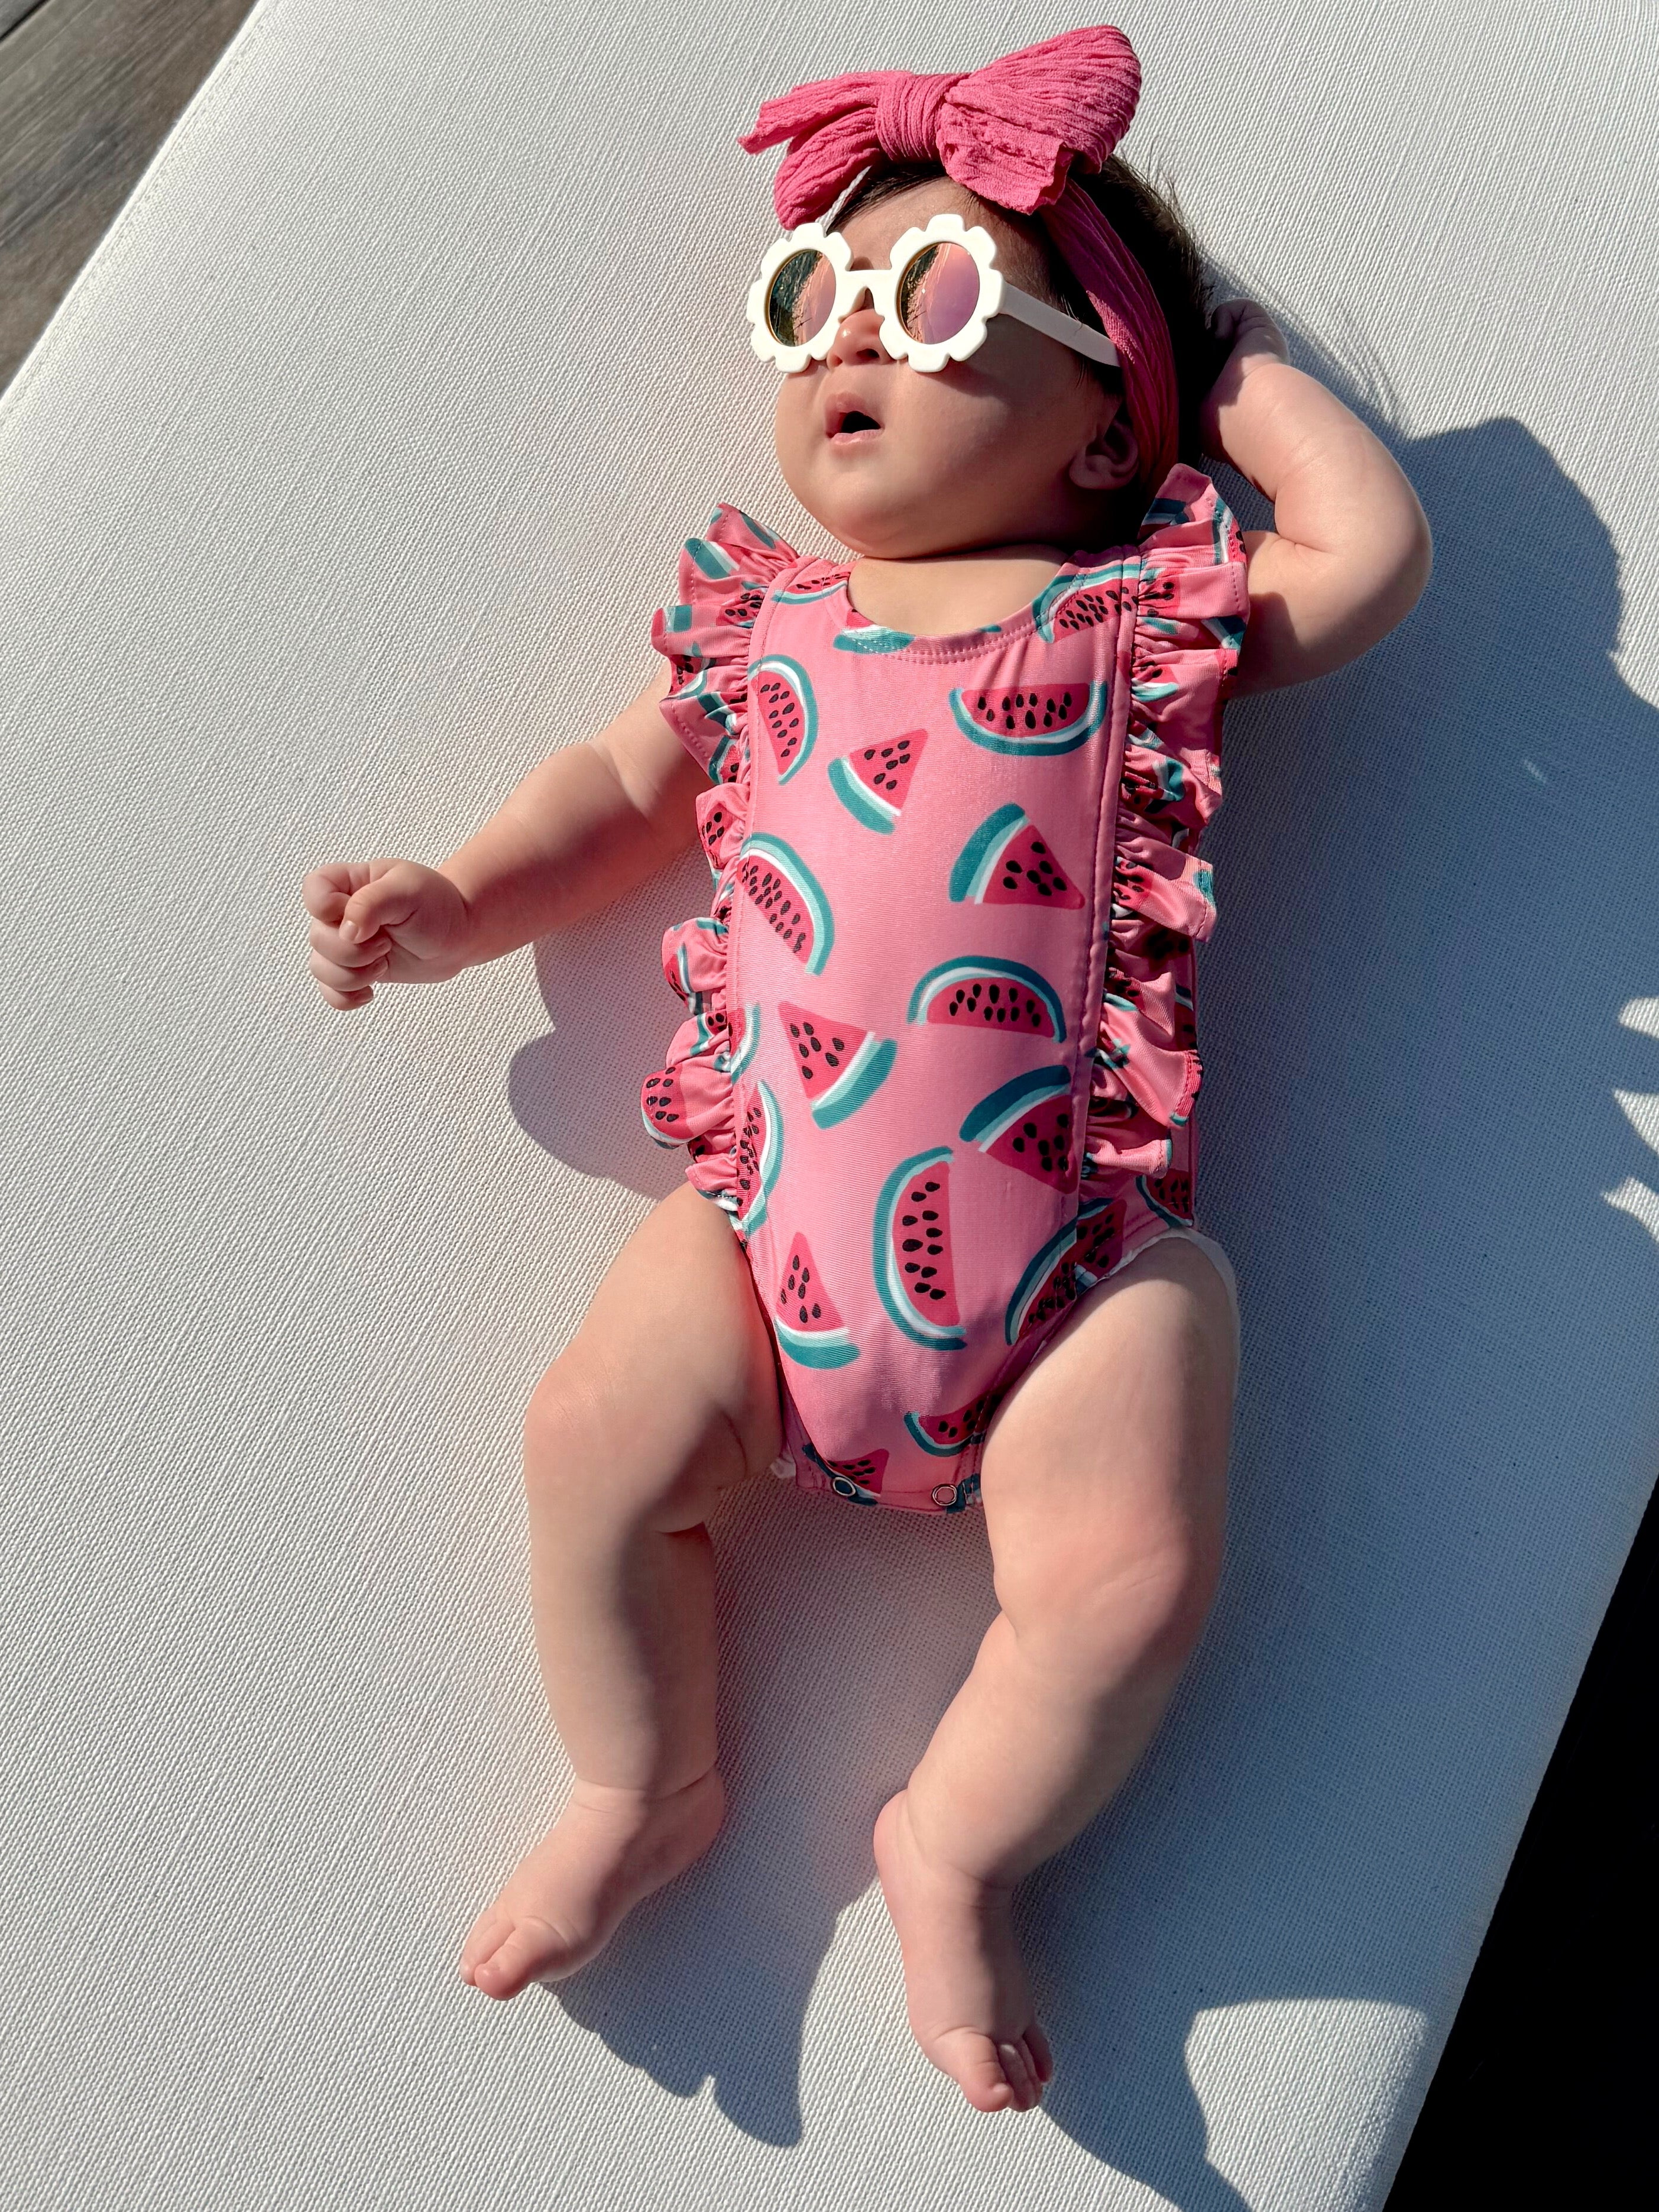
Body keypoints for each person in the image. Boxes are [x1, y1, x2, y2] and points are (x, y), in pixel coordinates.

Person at [300, 24, 1430, 2116]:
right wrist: (461, 901)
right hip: (768, 1240)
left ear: (1112, 423)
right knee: (585, 1440)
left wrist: (1228, 341)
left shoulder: (1132, 617)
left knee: (1135, 1578)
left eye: (934, 306)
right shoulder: (772, 625)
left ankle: (959, 1839)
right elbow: (620, 791)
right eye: (814, 300)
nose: (853, 343)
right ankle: (645, 1775)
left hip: (1070, 1276)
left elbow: (1365, 558)